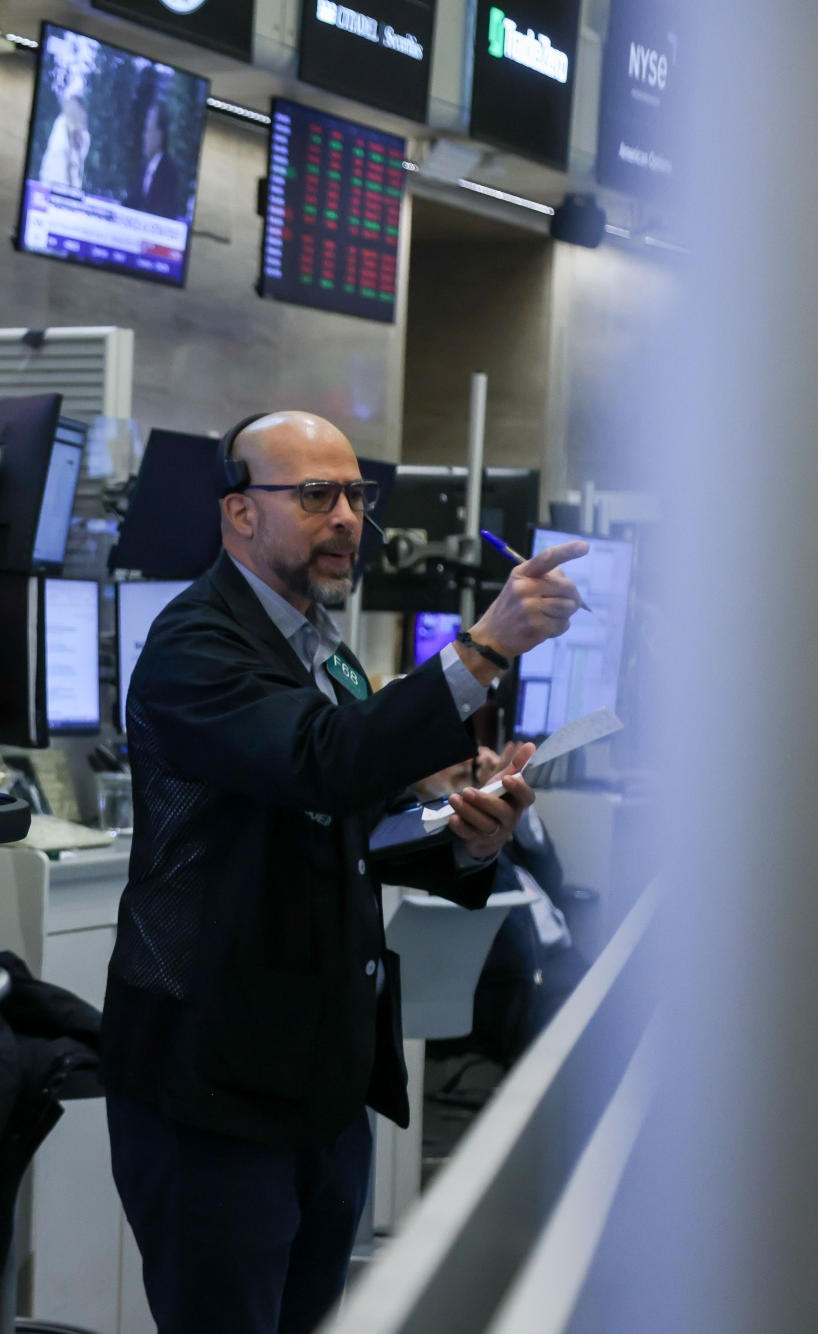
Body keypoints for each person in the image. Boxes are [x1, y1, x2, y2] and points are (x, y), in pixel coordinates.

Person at [105, 411, 586, 1334]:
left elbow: (354, 818)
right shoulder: (195, 644)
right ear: (239, 513)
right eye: (315, 495)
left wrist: (468, 835)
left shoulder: (318, 641)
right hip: (214, 1075)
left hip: (321, 1074)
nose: (347, 518)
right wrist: (483, 649)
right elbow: (318, 760)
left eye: (356, 495)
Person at [124, 95, 187, 219]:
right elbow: (135, 200)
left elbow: (163, 212)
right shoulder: (144, 168)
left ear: (160, 136)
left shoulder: (170, 172)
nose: (144, 136)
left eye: (148, 130)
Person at [38, 93, 91, 191]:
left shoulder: (85, 136)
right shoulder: (61, 123)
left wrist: (76, 132)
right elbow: (57, 147)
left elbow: (79, 155)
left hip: (72, 187)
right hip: (52, 180)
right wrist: (70, 131)